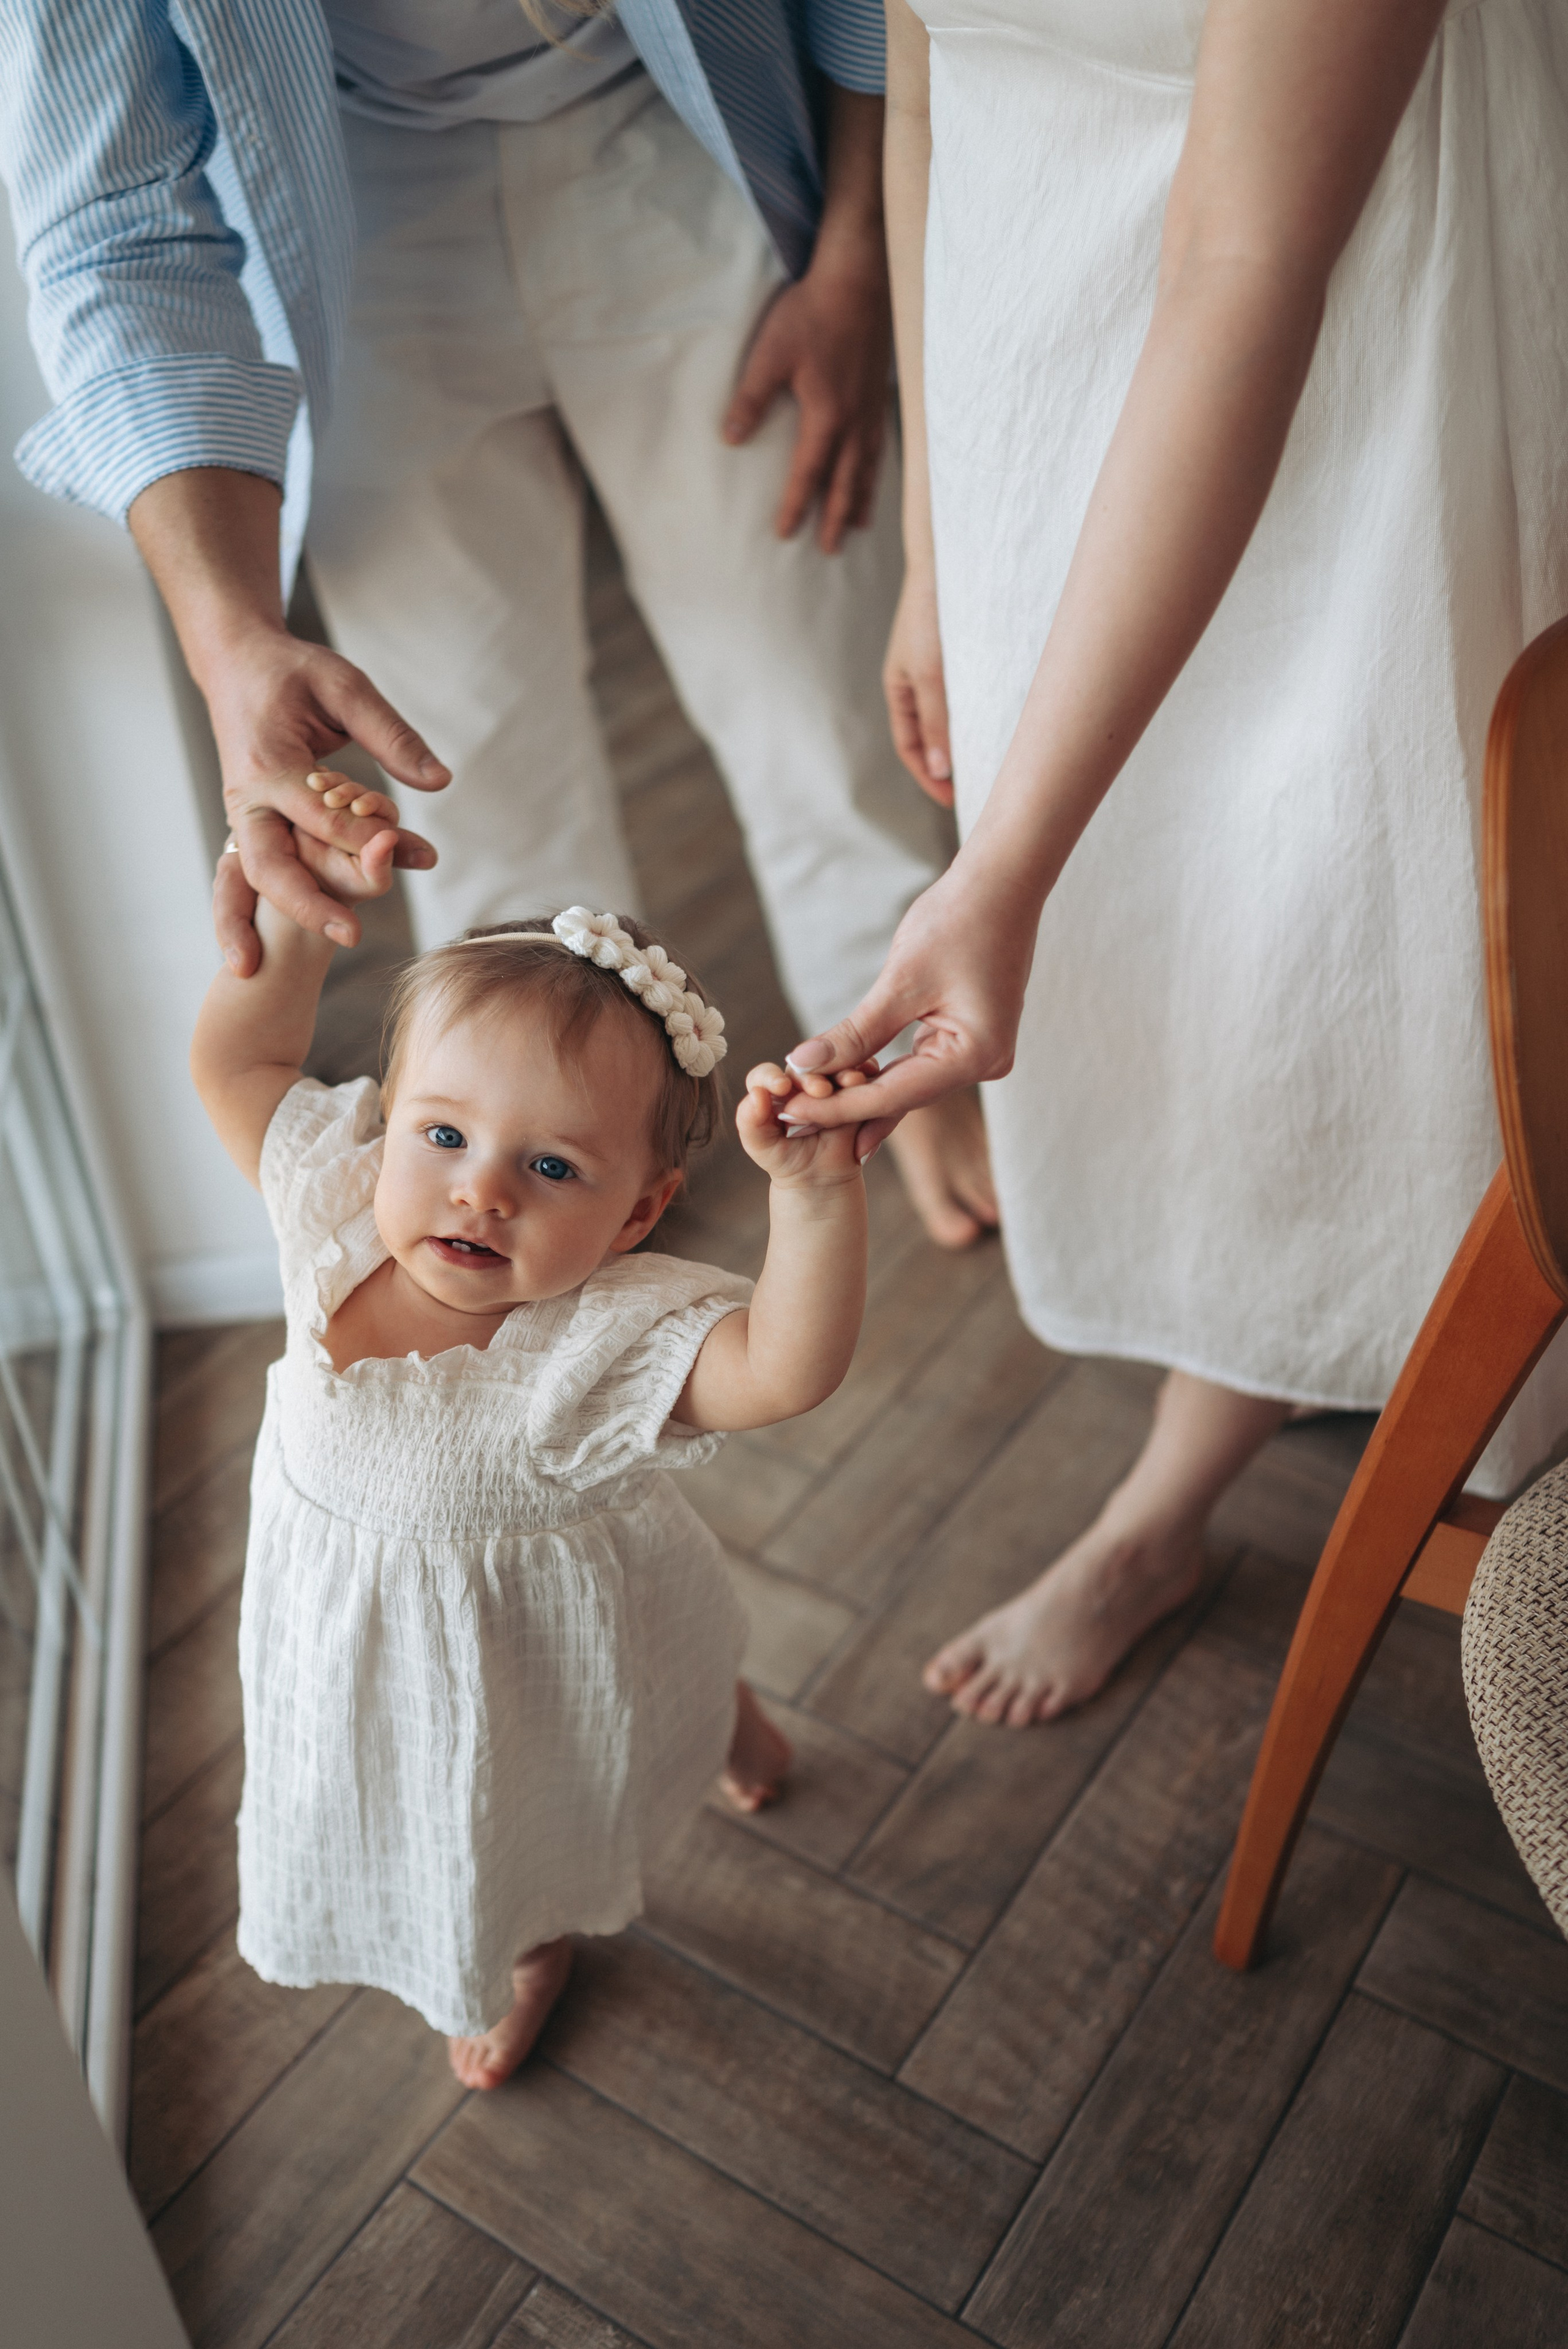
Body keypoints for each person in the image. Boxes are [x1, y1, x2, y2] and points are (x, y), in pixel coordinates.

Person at [782, 0, 1568, 1724]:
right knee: (1168, 918)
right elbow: (919, 93)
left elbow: (1244, 260)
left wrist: (1003, 869)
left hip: (1350, 347)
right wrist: (937, 555)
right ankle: (1204, 1433)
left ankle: (1318, 1415)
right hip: (1025, 365)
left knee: (1327, 901)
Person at [0, 0, 997, 1250]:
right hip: (348, 204)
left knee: (812, 694)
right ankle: (542, 1168)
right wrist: (230, 638)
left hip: (671, 133)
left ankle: (893, 1080)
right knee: (464, 771)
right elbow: (111, 221)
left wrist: (853, 255)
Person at [190, 793, 878, 2086]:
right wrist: (297, 914)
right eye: (443, 1134)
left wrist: (815, 1198)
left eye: (553, 1168)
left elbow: (784, 1370)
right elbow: (240, 1066)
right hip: (358, 1623)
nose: (482, 1188)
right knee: (672, 1666)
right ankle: (732, 1728)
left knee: (524, 1799)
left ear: (638, 1214)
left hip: (526, 1662)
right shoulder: (335, 1210)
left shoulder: (600, 1339)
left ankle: (533, 1945)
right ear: (392, 1121)